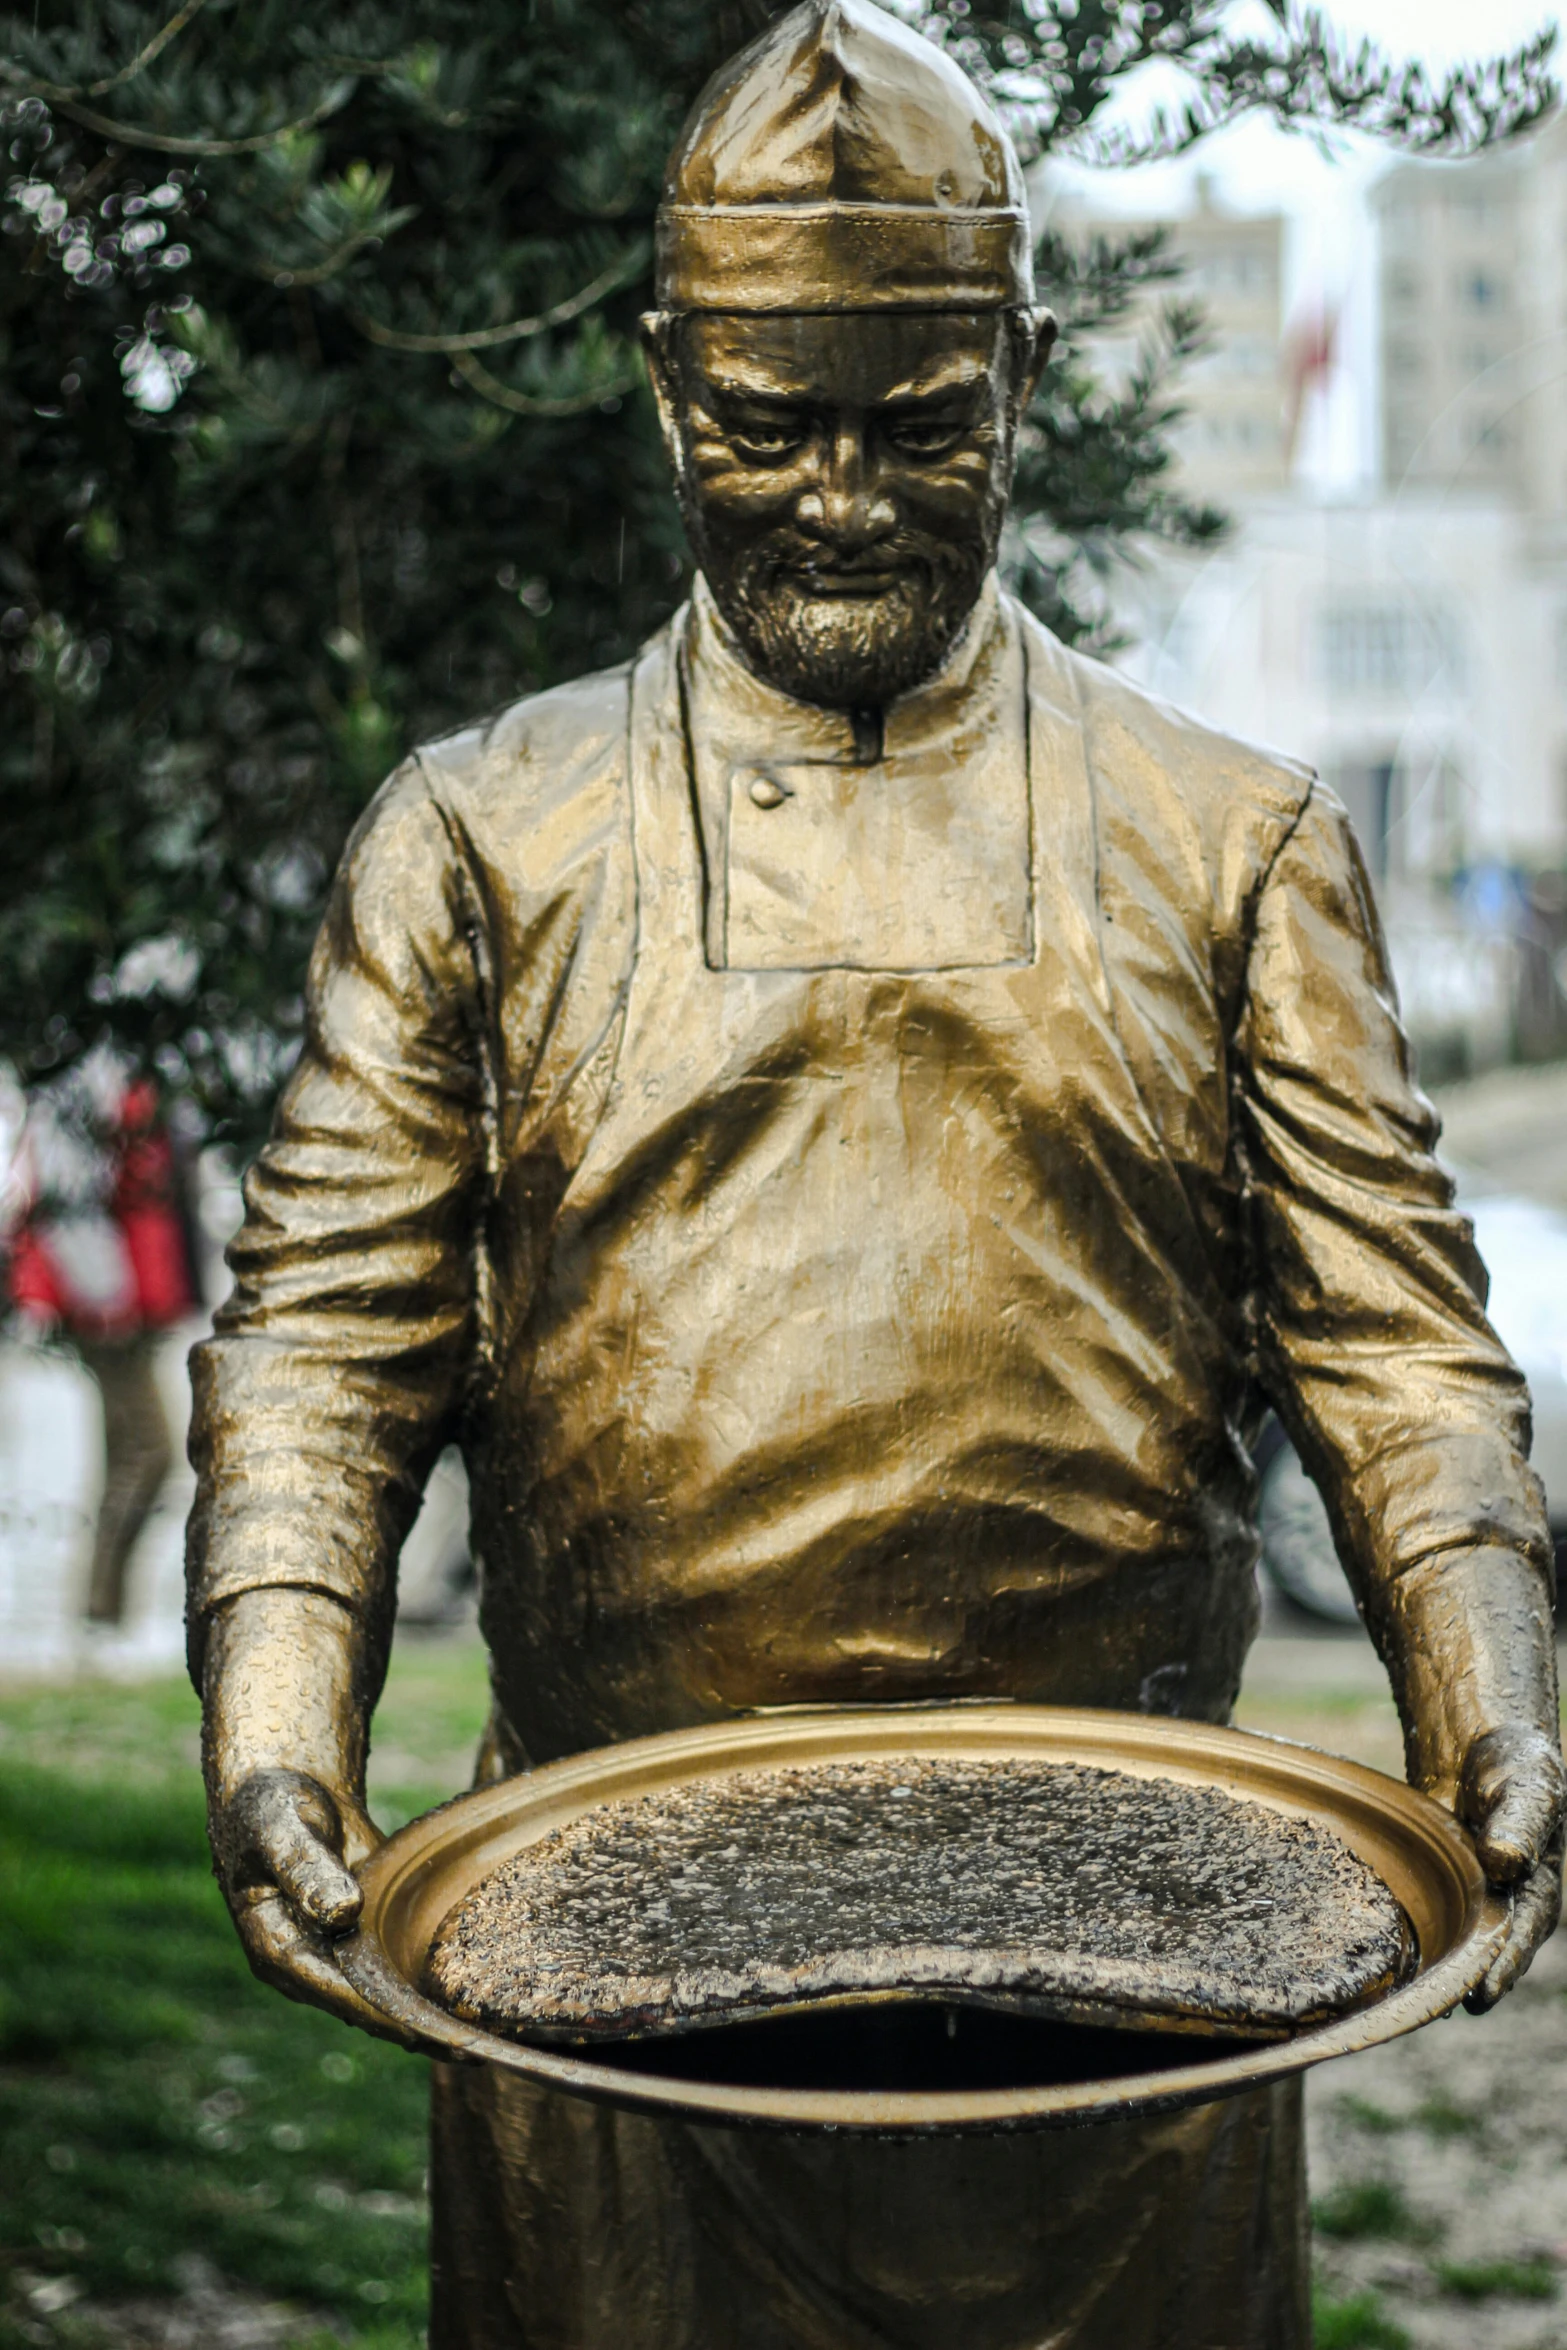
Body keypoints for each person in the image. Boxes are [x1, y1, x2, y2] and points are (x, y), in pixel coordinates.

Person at [187, 6, 1564, 2343]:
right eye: (764, 424)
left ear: (1018, 369)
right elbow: (322, 1334)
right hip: (601, 1975)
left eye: (915, 424)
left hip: (1131, 1972)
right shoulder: (475, 840)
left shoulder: (1228, 843)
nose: (838, 495)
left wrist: (1490, 1686)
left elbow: (1396, 1349)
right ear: (660, 386)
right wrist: (270, 1700)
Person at [7, 1068, 196, 1624]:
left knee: (126, 1446)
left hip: (128, 1296)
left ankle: (102, 1606)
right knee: (150, 1448)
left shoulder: (125, 1071)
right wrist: (106, 1295)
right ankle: (102, 1605)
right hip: (109, 1301)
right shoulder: (82, 1081)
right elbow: (72, 1200)